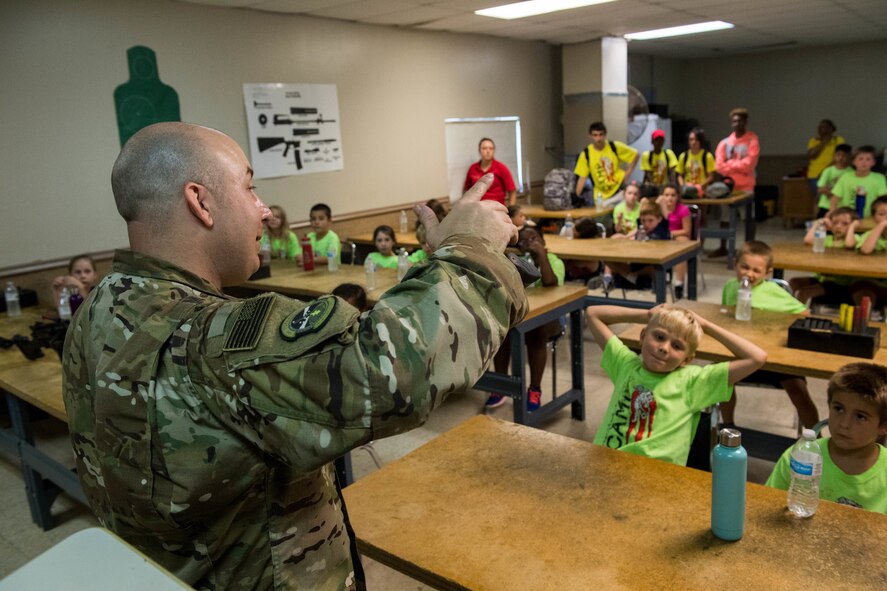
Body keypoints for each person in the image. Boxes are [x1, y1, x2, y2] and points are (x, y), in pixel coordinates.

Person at [61, 122, 526, 590]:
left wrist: (435, 264)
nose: (264, 210)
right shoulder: (211, 339)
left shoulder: (99, 308)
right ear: (200, 202)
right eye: (249, 187)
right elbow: (389, 375)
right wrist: (472, 250)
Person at [585, 304, 766, 466]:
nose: (664, 347)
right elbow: (593, 313)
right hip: (605, 464)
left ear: (687, 359)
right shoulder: (625, 365)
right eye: (659, 336)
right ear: (643, 336)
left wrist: (706, 326)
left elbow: (757, 358)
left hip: (654, 477)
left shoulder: (692, 383)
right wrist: (648, 315)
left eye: (677, 346)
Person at [720, 240, 819, 429]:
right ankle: (728, 426)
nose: (749, 274)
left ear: (767, 273)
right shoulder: (730, 287)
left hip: (774, 357)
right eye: (744, 267)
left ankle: (815, 439)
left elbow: (805, 313)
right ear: (735, 265)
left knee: (798, 390)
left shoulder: (773, 291)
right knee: (721, 377)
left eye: (756, 271)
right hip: (744, 355)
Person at [766, 362, 887, 514]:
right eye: (838, 409)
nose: (844, 424)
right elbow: (768, 506)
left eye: (860, 417)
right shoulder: (800, 458)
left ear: (884, 426)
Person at [487, 225, 564, 411]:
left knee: (537, 335)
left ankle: (535, 389)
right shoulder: (518, 261)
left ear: (543, 241)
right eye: (524, 241)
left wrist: (542, 256)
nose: (530, 243)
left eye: (534, 239)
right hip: (521, 314)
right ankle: (501, 385)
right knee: (502, 333)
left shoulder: (555, 261)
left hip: (550, 317)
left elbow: (550, 282)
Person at [711, 108, 760, 258]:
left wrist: (730, 165)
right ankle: (723, 247)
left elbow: (750, 164)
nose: (736, 123)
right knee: (725, 218)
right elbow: (718, 166)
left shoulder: (752, 140)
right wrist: (737, 165)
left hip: (746, 187)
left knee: (748, 218)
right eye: (734, 121)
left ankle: (749, 247)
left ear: (745, 122)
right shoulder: (724, 143)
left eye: (739, 120)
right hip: (727, 187)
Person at [790, 207, 857, 305]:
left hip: (839, 283)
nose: (838, 226)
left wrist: (853, 227)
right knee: (793, 282)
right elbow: (808, 240)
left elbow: (849, 244)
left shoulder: (854, 239)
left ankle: (799, 314)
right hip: (822, 278)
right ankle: (788, 309)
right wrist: (819, 222)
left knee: (805, 292)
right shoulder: (827, 239)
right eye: (835, 223)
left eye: (845, 224)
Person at [600, 202, 670, 292]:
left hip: (652, 264)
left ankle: (632, 278)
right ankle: (630, 278)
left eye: (650, 220)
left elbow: (661, 200)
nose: (647, 224)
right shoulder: (641, 229)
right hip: (636, 262)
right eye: (643, 221)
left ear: (659, 219)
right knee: (608, 258)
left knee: (654, 268)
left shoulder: (662, 229)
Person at [573, 121, 638, 206]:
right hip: (601, 197)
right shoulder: (586, 154)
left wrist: (627, 174)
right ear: (590, 136)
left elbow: (635, 155)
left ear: (605, 135)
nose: (598, 138)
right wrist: (576, 198)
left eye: (601, 135)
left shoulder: (613, 146)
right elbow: (582, 178)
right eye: (595, 135)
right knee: (601, 219)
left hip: (620, 191)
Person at [655, 184, 691, 300]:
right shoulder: (659, 208)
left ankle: (679, 284)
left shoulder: (683, 209)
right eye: (666, 195)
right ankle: (657, 280)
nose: (669, 198)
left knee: (680, 247)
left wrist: (671, 234)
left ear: (677, 197)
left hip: (678, 236)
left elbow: (687, 230)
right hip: (662, 237)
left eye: (673, 195)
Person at [829, 145, 887, 217]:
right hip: (847, 218)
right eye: (860, 159)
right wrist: (832, 213)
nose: (864, 162)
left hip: (870, 218)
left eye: (868, 159)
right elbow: (834, 199)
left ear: (873, 162)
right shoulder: (845, 177)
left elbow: (883, 200)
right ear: (853, 161)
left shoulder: (879, 178)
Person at [463, 137, 516, 206]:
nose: (488, 151)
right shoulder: (472, 168)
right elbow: (466, 190)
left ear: (494, 151)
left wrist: (511, 211)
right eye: (484, 148)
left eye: (491, 148)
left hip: (496, 208)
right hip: (477, 208)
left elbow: (512, 190)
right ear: (479, 151)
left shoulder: (501, 168)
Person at [806, 119, 845, 197]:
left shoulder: (838, 140)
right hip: (815, 175)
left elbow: (840, 157)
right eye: (820, 128)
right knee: (818, 198)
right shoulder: (813, 141)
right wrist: (824, 142)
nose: (822, 130)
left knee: (833, 197)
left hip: (833, 174)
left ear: (832, 129)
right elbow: (811, 155)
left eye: (825, 127)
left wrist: (825, 172)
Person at [676, 127, 716, 199]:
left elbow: (711, 176)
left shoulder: (707, 156)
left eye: (696, 140)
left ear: (700, 141)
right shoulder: (683, 156)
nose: (693, 142)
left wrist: (700, 186)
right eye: (691, 140)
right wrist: (683, 186)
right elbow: (679, 175)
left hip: (702, 191)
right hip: (687, 191)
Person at [814, 143, 852, 218]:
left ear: (849, 157)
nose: (841, 158)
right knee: (821, 227)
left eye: (844, 155)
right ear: (834, 156)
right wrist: (832, 193)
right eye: (838, 155)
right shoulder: (828, 171)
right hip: (826, 205)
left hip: (843, 206)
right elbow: (820, 188)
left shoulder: (851, 172)